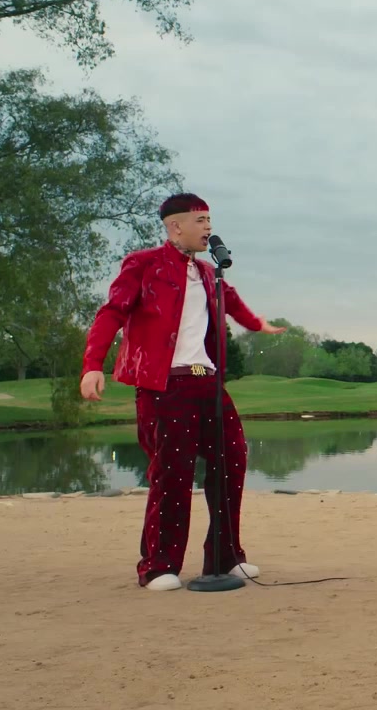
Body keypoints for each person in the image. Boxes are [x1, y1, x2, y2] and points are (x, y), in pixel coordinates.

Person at [79, 193, 284, 591]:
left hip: (207, 381)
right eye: (200, 220)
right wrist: (92, 365)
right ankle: (159, 565)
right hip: (165, 385)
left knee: (233, 460)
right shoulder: (143, 264)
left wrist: (257, 324)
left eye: (209, 220)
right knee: (173, 472)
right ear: (176, 226)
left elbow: (232, 302)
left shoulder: (207, 273)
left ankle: (225, 556)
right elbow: (112, 312)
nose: (209, 227)